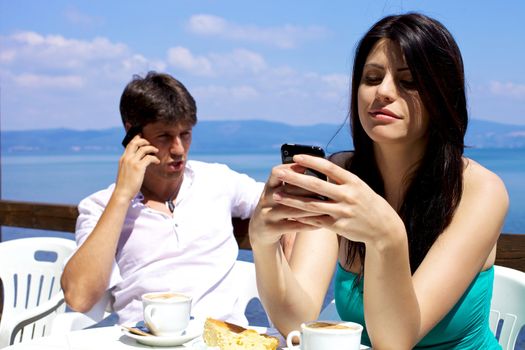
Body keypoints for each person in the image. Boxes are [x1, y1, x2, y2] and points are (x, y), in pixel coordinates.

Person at [249, 13, 508, 349]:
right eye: (371, 78)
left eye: (409, 81)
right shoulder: (341, 176)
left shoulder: (480, 190)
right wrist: (264, 243)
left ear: (442, 95)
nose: (383, 92)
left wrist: (387, 237)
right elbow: (295, 321)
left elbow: (397, 341)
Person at [61, 71, 264, 326]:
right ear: (133, 135)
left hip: (221, 340)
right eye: (165, 136)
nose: (179, 149)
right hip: (145, 341)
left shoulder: (218, 180)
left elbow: (281, 203)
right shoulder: (102, 206)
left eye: (185, 134)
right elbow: (79, 297)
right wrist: (123, 196)